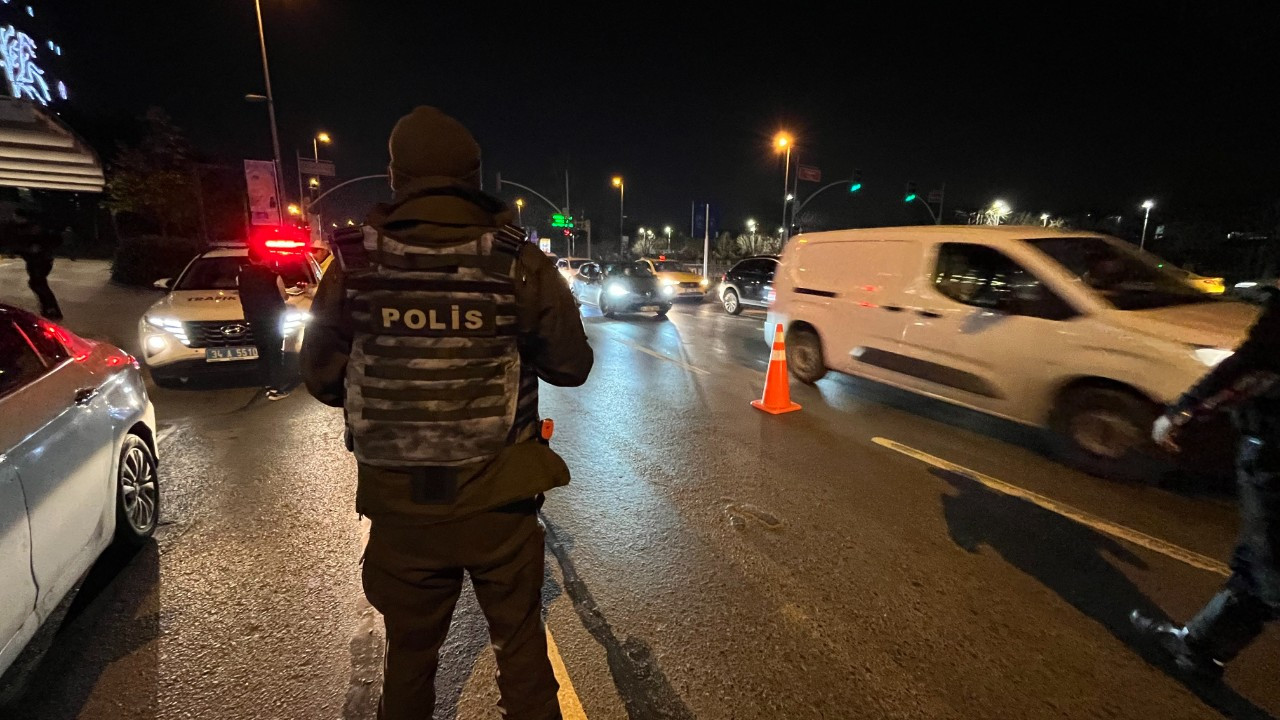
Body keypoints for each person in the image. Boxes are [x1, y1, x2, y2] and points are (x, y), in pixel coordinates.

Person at [299, 106, 592, 720]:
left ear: (395, 175)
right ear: (473, 175)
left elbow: (323, 380)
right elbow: (571, 365)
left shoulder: (353, 265)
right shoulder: (517, 260)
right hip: (499, 507)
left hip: (401, 509)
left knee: (409, 661)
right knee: (520, 653)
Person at [1131, 285, 1280, 679]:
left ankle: (1199, 647)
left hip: (1274, 451)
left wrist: (1182, 412)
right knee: (1260, 563)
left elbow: (1253, 364)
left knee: (1267, 569)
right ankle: (1200, 647)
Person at [237, 245, 292, 400]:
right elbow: (284, 296)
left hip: (254, 319)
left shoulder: (240, 277)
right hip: (273, 320)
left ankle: (267, 383)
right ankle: (276, 389)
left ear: (250, 258)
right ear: (265, 257)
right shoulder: (274, 276)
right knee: (275, 352)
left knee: (262, 352)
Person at [10, 208, 63, 320]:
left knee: (39, 284)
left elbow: (41, 241)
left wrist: (37, 248)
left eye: (15, 216)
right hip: (34, 260)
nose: (13, 219)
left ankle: (51, 309)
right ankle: (48, 308)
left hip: (40, 260)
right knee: (37, 283)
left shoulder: (32, 228)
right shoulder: (23, 228)